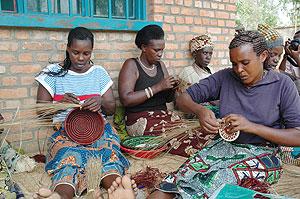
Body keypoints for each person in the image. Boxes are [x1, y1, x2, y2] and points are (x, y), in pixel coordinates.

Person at [146, 31, 300, 199]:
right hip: (221, 148)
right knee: (173, 184)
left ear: (263, 56)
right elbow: (183, 99)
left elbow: (297, 135)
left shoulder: (282, 85)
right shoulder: (226, 77)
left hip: (263, 155)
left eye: (245, 63)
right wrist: (200, 111)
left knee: (216, 182)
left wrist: (252, 127)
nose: (239, 69)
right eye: (234, 63)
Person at [34, 27, 131, 199]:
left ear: (92, 51)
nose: (80, 58)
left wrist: (100, 101)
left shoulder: (99, 73)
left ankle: (118, 191)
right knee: (69, 158)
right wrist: (60, 104)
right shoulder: (52, 73)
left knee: (108, 155)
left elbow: (111, 109)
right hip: (65, 132)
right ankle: (60, 195)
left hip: (99, 130)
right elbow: (41, 111)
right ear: (67, 49)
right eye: (75, 52)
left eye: (86, 53)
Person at [118, 25, 215, 157]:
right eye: (156, 50)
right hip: (140, 120)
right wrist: (158, 87)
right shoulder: (131, 65)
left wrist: (173, 88)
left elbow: (168, 98)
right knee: (181, 140)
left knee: (196, 132)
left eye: (162, 50)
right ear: (143, 47)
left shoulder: (160, 65)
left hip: (164, 116)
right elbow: (126, 99)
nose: (160, 54)